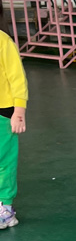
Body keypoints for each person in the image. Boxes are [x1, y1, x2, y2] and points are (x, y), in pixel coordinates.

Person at [0, 27, 28, 230]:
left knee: (4, 161)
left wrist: (19, 111)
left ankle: (6, 208)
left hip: (3, 111)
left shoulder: (3, 41)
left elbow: (17, 77)